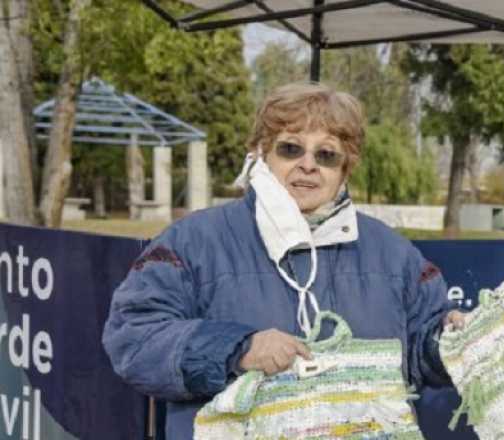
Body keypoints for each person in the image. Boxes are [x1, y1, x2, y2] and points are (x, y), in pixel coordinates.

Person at [102, 82, 461, 440]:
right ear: (261, 152)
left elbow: (420, 350)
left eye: (326, 155)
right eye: (291, 149)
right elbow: (132, 337)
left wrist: (451, 340)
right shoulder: (193, 240)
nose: (308, 165)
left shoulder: (392, 251)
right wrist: (237, 350)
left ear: (346, 168)